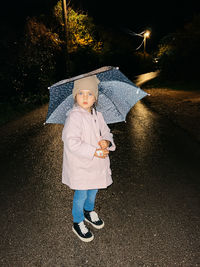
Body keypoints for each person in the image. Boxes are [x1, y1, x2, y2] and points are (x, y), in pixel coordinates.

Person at [62, 75, 116, 242]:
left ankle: (88, 211)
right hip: (81, 165)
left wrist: (106, 141)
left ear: (95, 97)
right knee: (82, 193)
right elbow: (71, 142)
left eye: (90, 94)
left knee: (93, 189)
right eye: (81, 93)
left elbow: (106, 132)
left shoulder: (98, 115)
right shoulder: (74, 116)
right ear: (75, 96)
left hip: (96, 164)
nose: (85, 97)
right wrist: (94, 151)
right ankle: (77, 221)